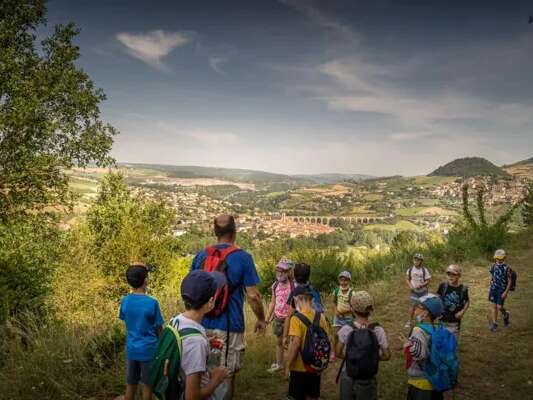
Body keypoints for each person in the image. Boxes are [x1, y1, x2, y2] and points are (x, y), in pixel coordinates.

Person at [190, 214, 266, 400]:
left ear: (215, 232)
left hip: (201, 325)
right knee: (227, 374)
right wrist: (261, 319)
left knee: (203, 374)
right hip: (230, 326)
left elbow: (191, 290)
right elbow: (253, 296)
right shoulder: (243, 258)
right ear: (234, 232)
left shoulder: (201, 255)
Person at [167, 270, 230, 400]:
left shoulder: (176, 320)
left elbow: (183, 349)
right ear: (211, 301)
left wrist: (205, 342)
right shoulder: (196, 342)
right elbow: (192, 397)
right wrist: (217, 379)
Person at [119, 262, 164, 400]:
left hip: (132, 350)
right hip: (148, 351)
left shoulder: (125, 301)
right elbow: (158, 329)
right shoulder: (152, 303)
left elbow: (125, 319)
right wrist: (162, 346)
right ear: (146, 281)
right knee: (147, 386)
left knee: (131, 384)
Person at [336, 291, 391, 400]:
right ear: (370, 310)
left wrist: (352, 358)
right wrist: (370, 357)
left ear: (352, 309)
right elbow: (387, 355)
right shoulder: (378, 330)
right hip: (368, 377)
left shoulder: (346, 329)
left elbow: (338, 353)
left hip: (348, 374)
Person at [285, 285, 329, 400]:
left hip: (299, 369)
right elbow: (327, 340)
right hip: (315, 366)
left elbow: (295, 344)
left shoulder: (296, 319)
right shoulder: (321, 317)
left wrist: (288, 366)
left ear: (297, 299)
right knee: (313, 396)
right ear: (312, 299)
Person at [403, 294, 444, 400]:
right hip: (435, 379)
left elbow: (419, 355)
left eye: (418, 307)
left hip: (420, 383)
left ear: (425, 313)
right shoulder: (437, 328)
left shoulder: (418, 330)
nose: (415, 309)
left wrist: (408, 346)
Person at [282, 263, 324, 349]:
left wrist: (285, 336)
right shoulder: (313, 290)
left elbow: (289, 315)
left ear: (295, 275)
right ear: (308, 276)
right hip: (315, 328)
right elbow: (321, 310)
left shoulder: (296, 292)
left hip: (300, 329)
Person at [265, 258, 294, 373]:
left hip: (291, 319)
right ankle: (279, 364)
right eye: (278, 270)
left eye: (284, 270)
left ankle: (291, 366)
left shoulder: (293, 286)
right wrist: (267, 318)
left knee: (290, 342)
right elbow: (273, 302)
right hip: (278, 317)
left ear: (289, 272)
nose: (280, 273)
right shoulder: (275, 285)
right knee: (279, 341)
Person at [436, 264, 469, 341]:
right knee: (441, 342)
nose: (450, 276)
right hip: (442, 320)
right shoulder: (443, 286)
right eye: (448, 274)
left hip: (455, 322)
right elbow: (437, 298)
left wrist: (462, 311)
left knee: (452, 344)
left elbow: (467, 301)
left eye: (454, 274)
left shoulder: (463, 289)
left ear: (459, 275)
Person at [332, 271, 355, 362]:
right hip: (338, 317)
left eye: (346, 280)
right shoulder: (337, 290)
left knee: (349, 336)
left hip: (348, 318)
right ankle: (334, 353)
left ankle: (350, 353)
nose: (343, 283)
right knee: (335, 335)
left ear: (349, 281)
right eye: (341, 280)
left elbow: (354, 308)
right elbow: (334, 302)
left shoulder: (352, 293)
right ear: (339, 281)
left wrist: (344, 311)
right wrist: (336, 310)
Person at [488, 249, 512, 332]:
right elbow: (492, 275)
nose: (499, 260)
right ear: (495, 258)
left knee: (500, 307)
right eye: (497, 258)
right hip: (493, 288)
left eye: (500, 258)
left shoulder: (507, 268)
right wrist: (491, 281)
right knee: (494, 306)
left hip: (502, 289)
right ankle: (495, 324)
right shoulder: (493, 266)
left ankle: (506, 314)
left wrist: (506, 292)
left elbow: (510, 281)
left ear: (504, 258)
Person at [405, 253, 432, 328]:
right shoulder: (410, 270)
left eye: (418, 260)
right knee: (413, 306)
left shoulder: (424, 270)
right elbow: (407, 279)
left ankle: (421, 321)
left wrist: (422, 285)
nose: (416, 261)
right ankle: (410, 321)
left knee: (422, 306)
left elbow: (428, 280)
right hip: (414, 292)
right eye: (415, 259)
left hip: (423, 291)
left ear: (421, 261)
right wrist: (410, 286)